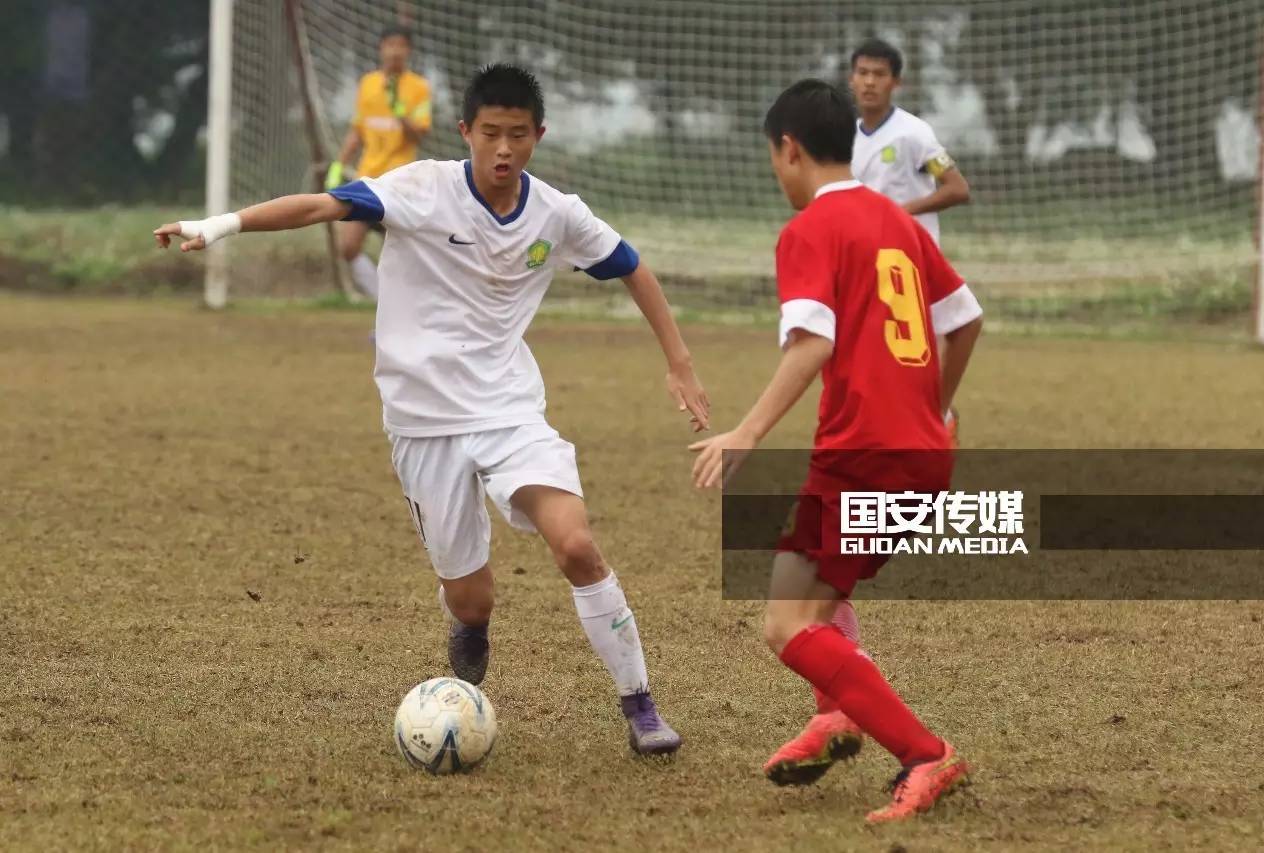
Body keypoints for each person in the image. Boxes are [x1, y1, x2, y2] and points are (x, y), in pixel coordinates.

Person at [154, 64, 711, 757]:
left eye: (517, 135)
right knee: (473, 599)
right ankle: (470, 627)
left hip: (509, 412)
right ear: (465, 133)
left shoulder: (557, 214)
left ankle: (641, 705)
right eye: (489, 134)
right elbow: (319, 207)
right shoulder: (420, 189)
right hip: (422, 424)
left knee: (575, 544)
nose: (503, 149)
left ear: (538, 135)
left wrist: (679, 361)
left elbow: (631, 264)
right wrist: (221, 225)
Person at [690, 79, 983, 822]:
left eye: (772, 158)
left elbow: (813, 340)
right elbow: (965, 317)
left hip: (864, 455)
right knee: (819, 593)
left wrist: (746, 431)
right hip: (921, 450)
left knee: (786, 625)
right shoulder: (898, 220)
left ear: (789, 149)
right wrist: (936, 406)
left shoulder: (809, 231)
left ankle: (926, 753)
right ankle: (836, 714)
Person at [850, 37, 971, 445]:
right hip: (869, 266)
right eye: (862, 73)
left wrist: (901, 212)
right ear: (852, 80)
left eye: (879, 75)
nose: (869, 82)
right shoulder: (844, 140)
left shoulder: (915, 134)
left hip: (914, 263)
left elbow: (957, 188)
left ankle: (939, 416)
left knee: (915, 356)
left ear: (896, 83)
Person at [325, 25, 433, 300]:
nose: (395, 51)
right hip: (368, 179)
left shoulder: (419, 88)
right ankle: (382, 305)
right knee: (348, 247)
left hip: (401, 183)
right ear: (381, 48)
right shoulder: (368, 83)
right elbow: (357, 131)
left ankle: (410, 311)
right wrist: (338, 165)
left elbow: (419, 133)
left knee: (404, 257)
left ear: (408, 51)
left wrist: (400, 113)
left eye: (401, 45)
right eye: (390, 45)